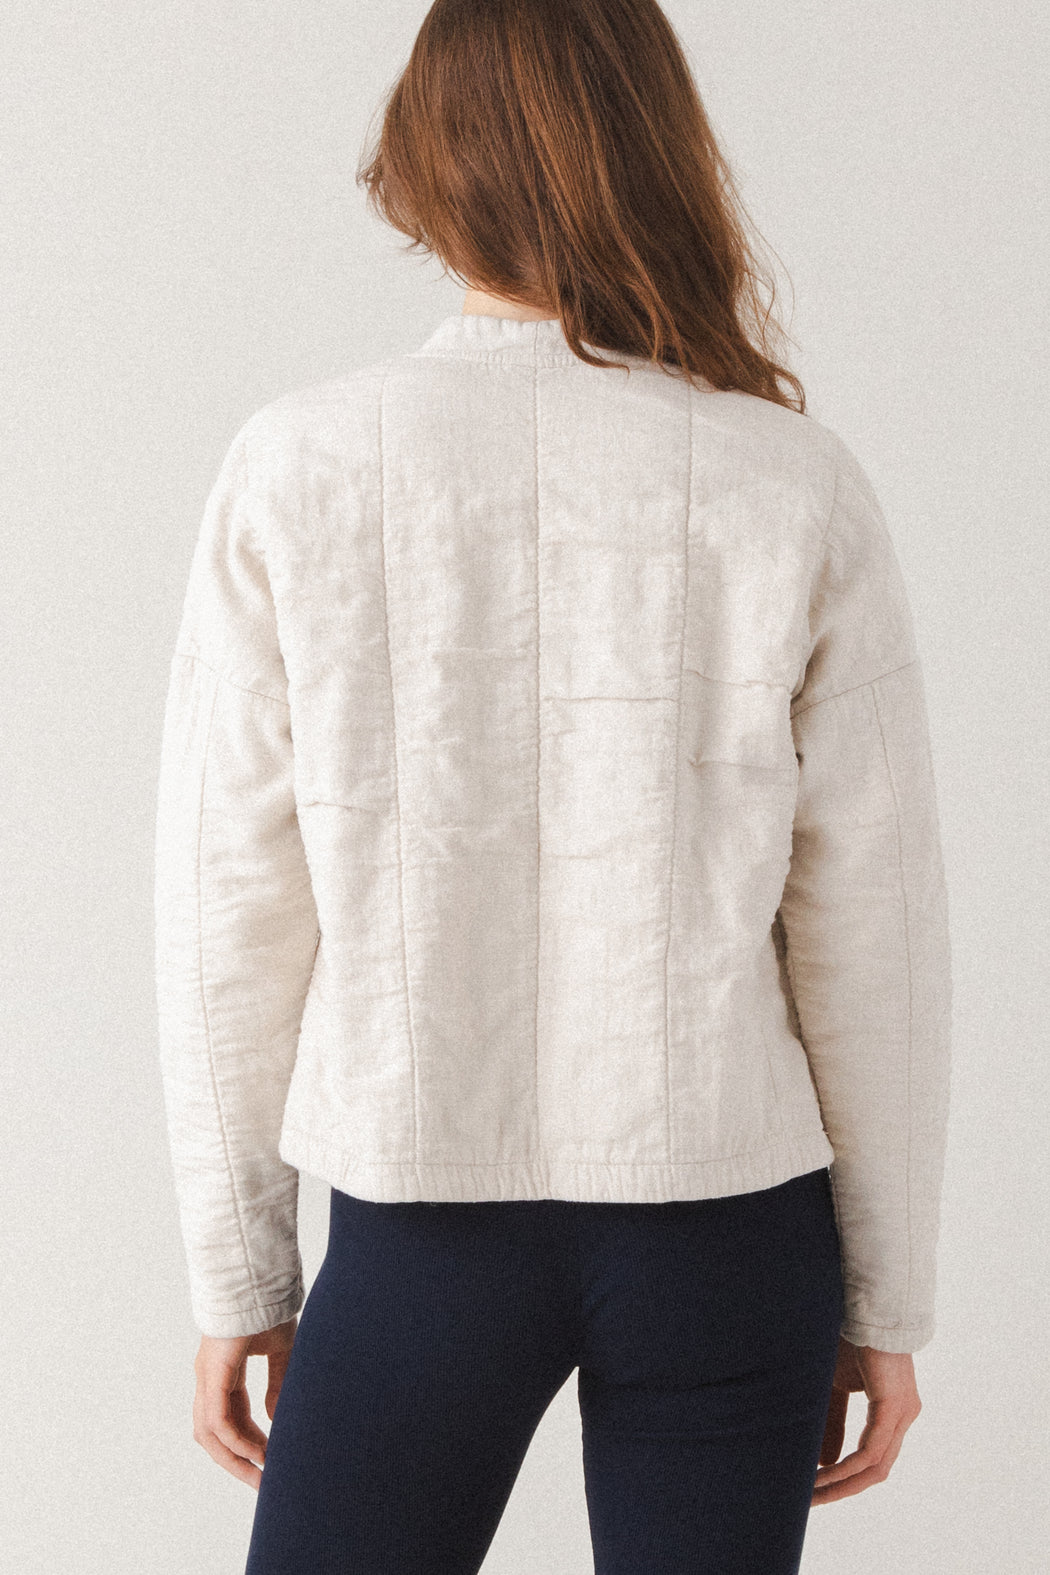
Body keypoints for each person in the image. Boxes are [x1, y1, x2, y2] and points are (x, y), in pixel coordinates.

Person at [154, 1, 952, 1570]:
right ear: (659, 154)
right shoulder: (787, 478)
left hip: (417, 1235)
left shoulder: (298, 464)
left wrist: (237, 1273)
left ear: (420, 162)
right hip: (729, 1230)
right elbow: (876, 933)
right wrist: (884, 1297)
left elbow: (227, 904)